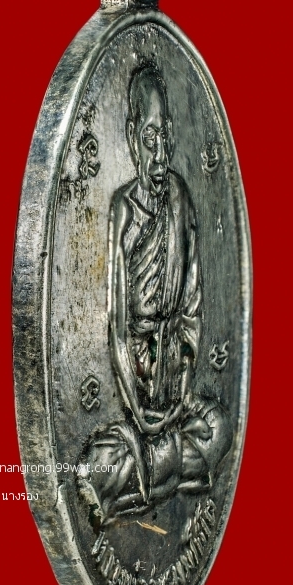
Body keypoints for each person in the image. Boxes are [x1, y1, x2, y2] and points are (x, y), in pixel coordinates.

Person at [76, 64, 231, 527]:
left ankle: (144, 483)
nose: (160, 154)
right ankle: (163, 472)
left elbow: (192, 305)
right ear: (131, 137)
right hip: (137, 388)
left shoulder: (181, 198)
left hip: (174, 380)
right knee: (96, 466)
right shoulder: (123, 210)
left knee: (220, 429)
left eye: (165, 137)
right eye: (149, 138)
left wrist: (183, 382)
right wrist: (139, 411)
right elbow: (118, 329)